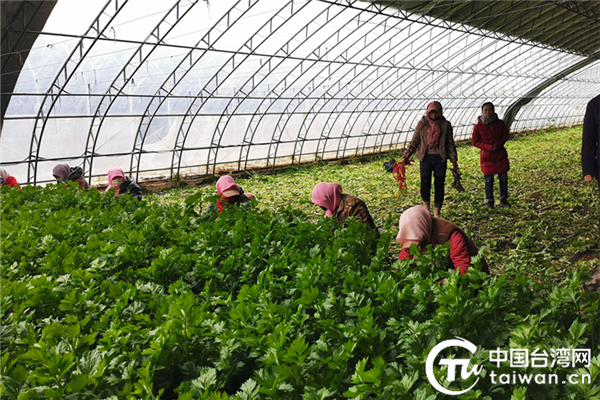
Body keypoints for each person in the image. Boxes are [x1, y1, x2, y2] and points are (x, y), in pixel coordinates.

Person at [401, 101, 459, 218]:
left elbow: (450, 143)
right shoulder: (423, 123)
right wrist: (405, 157)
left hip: (440, 159)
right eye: (431, 112)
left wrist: (454, 160)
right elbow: (415, 141)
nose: (433, 115)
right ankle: (426, 209)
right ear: (428, 112)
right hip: (425, 158)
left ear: (440, 112)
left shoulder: (445, 125)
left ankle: (437, 212)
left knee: (439, 184)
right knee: (425, 183)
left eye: (436, 112)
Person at [396, 205, 489, 275]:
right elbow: (402, 263)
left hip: (460, 274)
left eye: (418, 241)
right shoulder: (411, 237)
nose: (415, 245)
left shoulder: (450, 234)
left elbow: (463, 268)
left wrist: (440, 285)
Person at [472, 102, 510, 208]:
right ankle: (490, 201)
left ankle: (503, 199)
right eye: (485, 110)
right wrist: (488, 147)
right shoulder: (478, 126)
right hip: (487, 157)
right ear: (482, 111)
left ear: (494, 111)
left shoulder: (500, 124)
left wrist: (498, 144)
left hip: (500, 155)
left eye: (490, 110)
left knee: (503, 179)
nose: (488, 112)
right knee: (489, 181)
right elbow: (475, 141)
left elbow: (505, 135)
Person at [311, 182, 379, 238]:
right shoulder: (332, 205)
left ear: (327, 199)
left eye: (321, 203)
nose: (321, 206)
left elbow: (364, 229)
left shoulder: (354, 205)